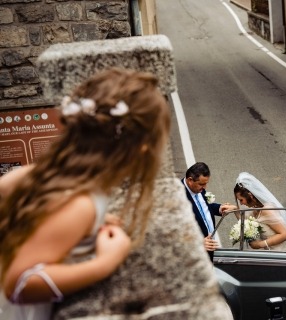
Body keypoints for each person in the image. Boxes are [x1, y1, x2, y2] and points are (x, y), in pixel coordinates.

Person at [0, 67, 170, 319]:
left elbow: (8, 194)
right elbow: (19, 284)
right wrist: (104, 263)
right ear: (142, 150)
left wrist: (85, 225)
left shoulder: (45, 172)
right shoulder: (80, 203)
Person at [233, 172, 286, 252]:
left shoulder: (267, 211)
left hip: (279, 254)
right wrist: (234, 210)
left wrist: (259, 244)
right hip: (267, 254)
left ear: (250, 196)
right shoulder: (256, 210)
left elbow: (285, 234)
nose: (241, 203)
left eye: (241, 200)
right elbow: (245, 222)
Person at [182, 162, 236, 262]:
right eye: (201, 184)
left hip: (208, 248)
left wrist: (220, 208)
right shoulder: (176, 198)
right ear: (190, 180)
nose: (205, 187)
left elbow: (205, 206)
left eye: (206, 183)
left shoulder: (198, 189)